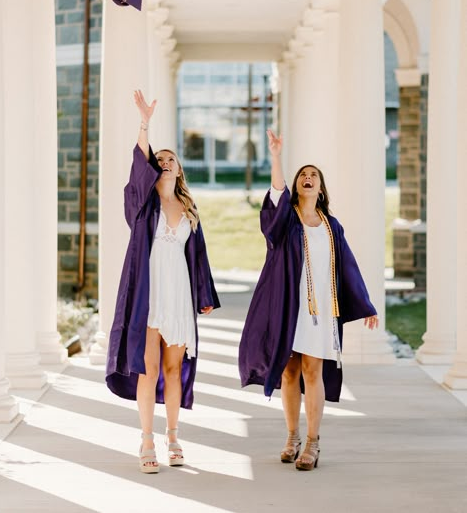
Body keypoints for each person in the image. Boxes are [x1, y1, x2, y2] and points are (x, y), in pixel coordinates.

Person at [238, 129, 379, 471]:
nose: (307, 178)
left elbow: (347, 266)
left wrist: (365, 305)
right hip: (290, 305)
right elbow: (274, 197)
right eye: (303, 175)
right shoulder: (286, 221)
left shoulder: (332, 226)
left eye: (313, 176)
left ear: (321, 188)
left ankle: (313, 442)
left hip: (321, 311)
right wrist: (276, 157)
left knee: (313, 371)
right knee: (289, 372)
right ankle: (291, 436)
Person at [106, 91, 220, 474]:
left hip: (179, 296)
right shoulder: (142, 205)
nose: (165, 162)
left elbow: (199, 257)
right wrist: (145, 122)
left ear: (179, 169)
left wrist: (204, 295)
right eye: (160, 159)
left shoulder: (189, 209)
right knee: (148, 369)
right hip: (148, 295)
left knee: (174, 371)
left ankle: (173, 436)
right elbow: (138, 164)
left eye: (171, 159)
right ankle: (146, 439)